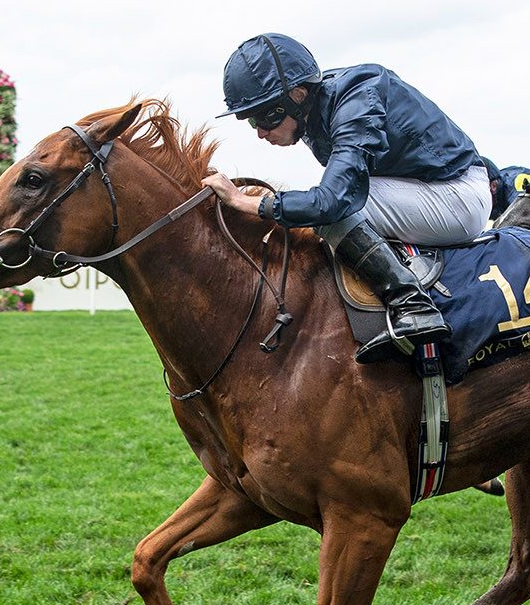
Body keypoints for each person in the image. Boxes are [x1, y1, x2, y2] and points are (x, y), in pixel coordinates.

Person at [203, 34, 492, 360]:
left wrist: (251, 203)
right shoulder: (315, 108)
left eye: (264, 117)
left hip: (457, 197)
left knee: (333, 210)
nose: (260, 131)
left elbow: (335, 201)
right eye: (251, 120)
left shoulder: (355, 99)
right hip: (424, 190)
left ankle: (412, 306)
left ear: (297, 95)